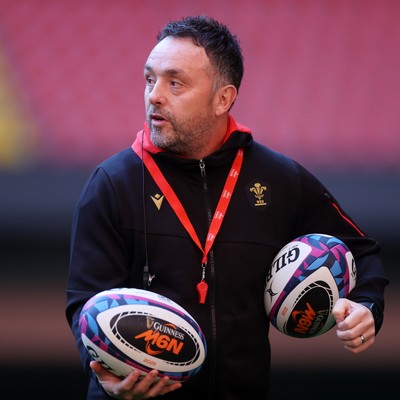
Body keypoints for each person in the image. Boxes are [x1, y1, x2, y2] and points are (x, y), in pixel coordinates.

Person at [66, 15, 389, 400]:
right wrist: (104, 373)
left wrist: (367, 306)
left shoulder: (278, 178)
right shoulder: (112, 183)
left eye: (175, 83)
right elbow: (85, 304)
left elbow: (359, 250)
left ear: (223, 99)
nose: (154, 95)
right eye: (149, 79)